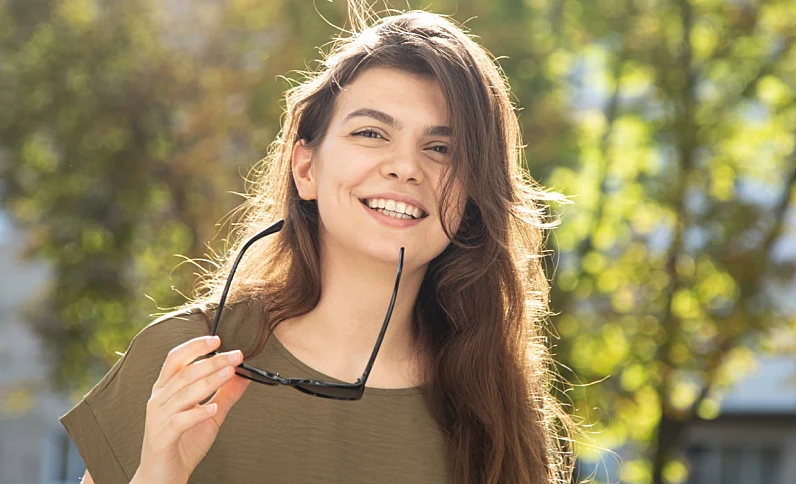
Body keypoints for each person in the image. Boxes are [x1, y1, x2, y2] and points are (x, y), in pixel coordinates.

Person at [60, 2, 579, 483]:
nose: (405, 166)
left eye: (441, 147)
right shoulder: (183, 364)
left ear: (472, 194)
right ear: (305, 168)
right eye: (371, 133)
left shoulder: (501, 412)